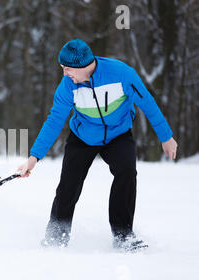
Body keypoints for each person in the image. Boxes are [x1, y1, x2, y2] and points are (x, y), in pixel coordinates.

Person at [17, 39, 178, 252]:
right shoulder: (67, 86)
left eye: (68, 69)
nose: (65, 74)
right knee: (68, 184)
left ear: (83, 65)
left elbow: (147, 102)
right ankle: (56, 237)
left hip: (118, 134)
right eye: (62, 69)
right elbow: (54, 121)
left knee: (127, 172)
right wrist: (34, 157)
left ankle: (123, 236)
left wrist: (166, 136)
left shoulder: (121, 74)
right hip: (82, 137)